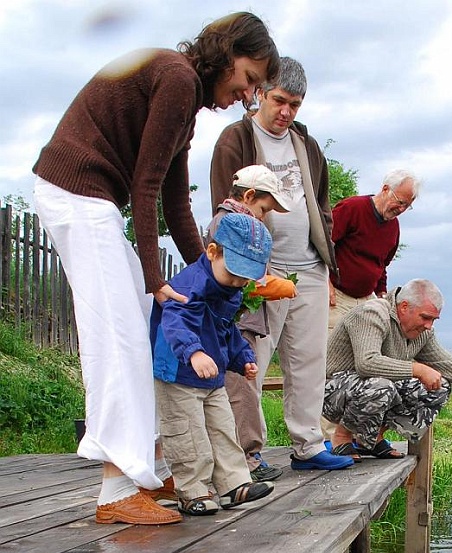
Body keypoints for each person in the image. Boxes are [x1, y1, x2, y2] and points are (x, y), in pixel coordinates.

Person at [32, 12, 280, 525]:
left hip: (93, 198)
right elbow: (145, 190)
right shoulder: (176, 78)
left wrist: (207, 273)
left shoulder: (182, 98)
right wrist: (158, 279)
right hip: (77, 192)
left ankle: (152, 466)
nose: (248, 95)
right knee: (119, 337)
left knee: (147, 324)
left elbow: (175, 201)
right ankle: (116, 490)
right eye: (249, 79)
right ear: (227, 52)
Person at [210, 57, 354, 472]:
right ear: (259, 93)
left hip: (309, 268)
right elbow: (226, 205)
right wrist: (244, 270)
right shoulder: (234, 138)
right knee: (249, 361)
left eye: (295, 104)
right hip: (259, 269)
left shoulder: (306, 145)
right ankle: (244, 452)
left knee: (309, 362)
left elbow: (321, 205)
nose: (286, 112)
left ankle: (308, 446)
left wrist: (326, 262)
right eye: (279, 101)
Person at [151, 212, 276, 515]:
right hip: (179, 373)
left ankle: (233, 484)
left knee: (223, 429)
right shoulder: (190, 285)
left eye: (246, 277)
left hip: (212, 376)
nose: (238, 282)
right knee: (188, 434)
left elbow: (225, 330)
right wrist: (193, 352)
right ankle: (192, 490)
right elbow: (175, 320)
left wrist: (242, 357)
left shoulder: (230, 290)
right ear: (212, 252)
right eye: (234, 273)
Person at [324, 279, 452, 459]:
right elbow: (367, 363)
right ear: (404, 307)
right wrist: (418, 369)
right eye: (425, 317)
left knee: (439, 386)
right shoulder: (372, 313)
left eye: (433, 320)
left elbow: (449, 364)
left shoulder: (422, 333)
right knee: (381, 386)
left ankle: (372, 437)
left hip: (370, 389)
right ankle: (342, 437)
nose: (429, 326)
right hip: (331, 392)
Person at [205, 164, 293, 482]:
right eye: (264, 208)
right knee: (240, 390)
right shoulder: (230, 224)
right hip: (235, 323)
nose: (265, 216)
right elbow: (235, 276)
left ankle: (242, 458)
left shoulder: (233, 223)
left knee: (242, 388)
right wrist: (272, 285)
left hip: (240, 321)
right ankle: (247, 460)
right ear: (250, 195)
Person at [328, 169, 420, 330]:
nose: (401, 209)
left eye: (407, 206)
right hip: (337, 295)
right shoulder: (352, 208)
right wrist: (325, 282)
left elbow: (381, 264)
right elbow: (323, 245)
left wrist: (382, 293)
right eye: (399, 202)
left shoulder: (393, 227)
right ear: (385, 189)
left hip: (366, 300)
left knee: (366, 348)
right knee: (332, 350)